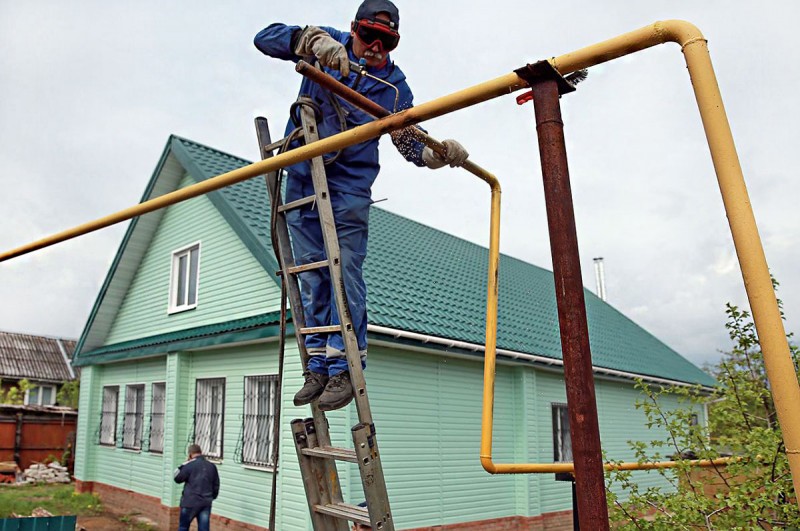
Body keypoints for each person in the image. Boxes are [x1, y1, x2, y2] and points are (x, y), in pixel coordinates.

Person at [254, 0, 469, 412]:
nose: (374, 47)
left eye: (386, 41)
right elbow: (263, 38)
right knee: (312, 271)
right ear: (353, 30)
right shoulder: (327, 45)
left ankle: (345, 367)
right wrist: (308, 41)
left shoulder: (393, 88)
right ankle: (317, 362)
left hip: (348, 186)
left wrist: (436, 154)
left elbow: (408, 142)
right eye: (368, 36)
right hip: (303, 175)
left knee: (343, 268)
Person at [173, 444, 220, 531]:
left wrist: (184, 464)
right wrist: (211, 497)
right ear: (201, 452)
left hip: (189, 502)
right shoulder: (211, 466)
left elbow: (177, 478)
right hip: (205, 502)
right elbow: (216, 485)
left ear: (190, 454)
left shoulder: (189, 465)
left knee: (183, 527)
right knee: (204, 529)